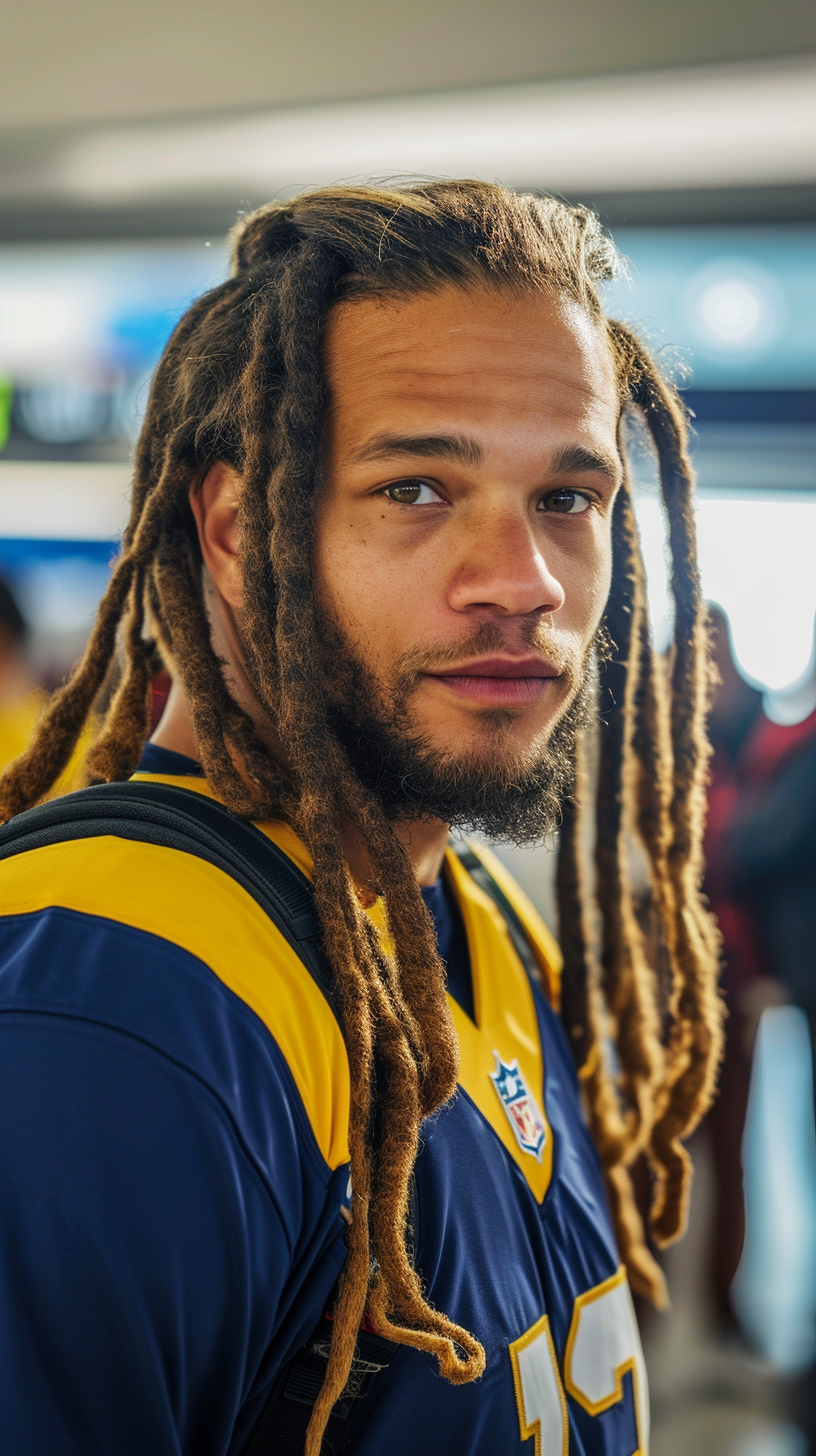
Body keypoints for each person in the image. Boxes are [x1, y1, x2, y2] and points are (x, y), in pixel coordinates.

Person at [0, 182, 721, 1456]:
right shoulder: (111, 1003)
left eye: (568, 498)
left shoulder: (468, 914)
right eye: (416, 488)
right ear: (234, 530)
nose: (527, 583)